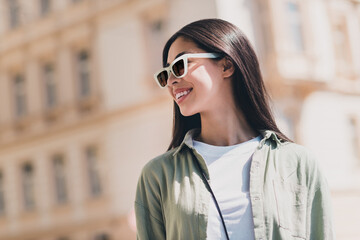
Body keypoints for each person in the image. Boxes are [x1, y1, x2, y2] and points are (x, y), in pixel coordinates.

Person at [135, 18, 334, 240]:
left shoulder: (299, 163)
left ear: (226, 65)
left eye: (180, 65)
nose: (171, 80)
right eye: (165, 74)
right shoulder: (158, 176)